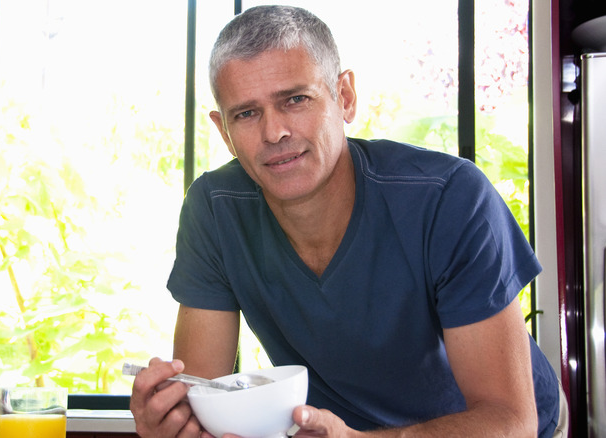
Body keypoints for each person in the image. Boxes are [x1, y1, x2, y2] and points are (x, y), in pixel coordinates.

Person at [129, 5, 566, 437]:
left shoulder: (449, 197)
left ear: (345, 97)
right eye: (246, 113)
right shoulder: (215, 208)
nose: (274, 132)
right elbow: (204, 395)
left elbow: (509, 420)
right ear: (224, 132)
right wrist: (174, 424)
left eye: (295, 99)